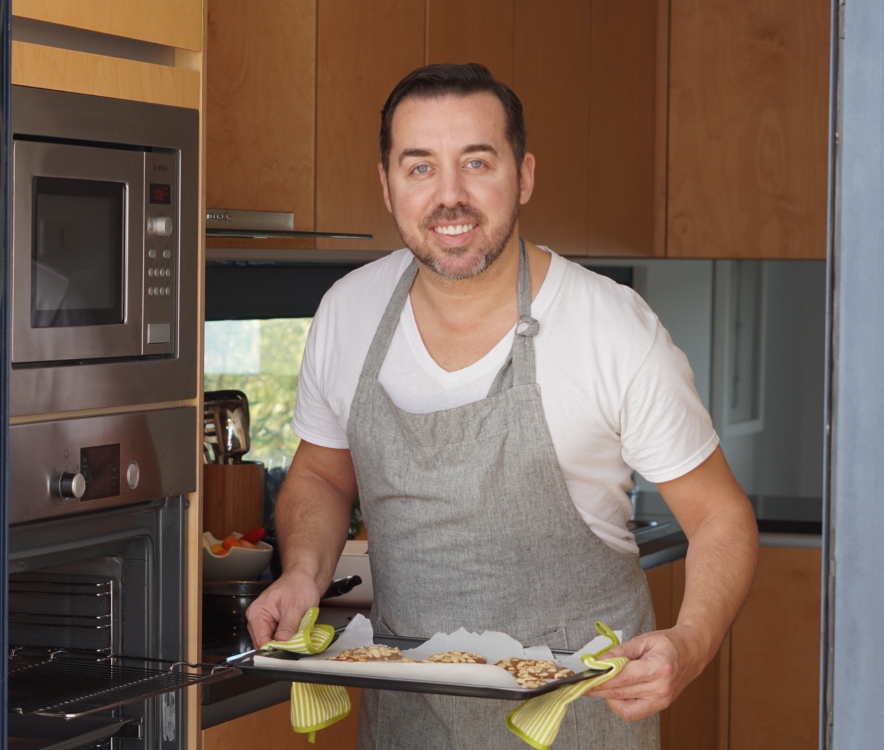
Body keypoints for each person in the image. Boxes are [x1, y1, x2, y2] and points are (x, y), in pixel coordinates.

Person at [246, 63, 758, 750]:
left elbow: (720, 516)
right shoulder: (348, 312)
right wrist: (302, 574)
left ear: (523, 176)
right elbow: (320, 475)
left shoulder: (611, 327)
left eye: (476, 163)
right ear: (387, 185)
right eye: (420, 167)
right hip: (407, 723)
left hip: (579, 722)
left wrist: (691, 642)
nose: (449, 196)